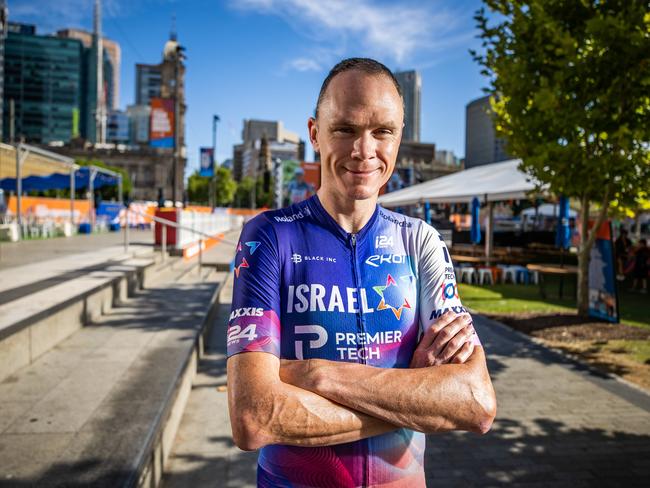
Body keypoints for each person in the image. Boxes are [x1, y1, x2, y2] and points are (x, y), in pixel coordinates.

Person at [227, 58, 496, 487]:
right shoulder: (269, 238)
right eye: (345, 129)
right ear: (315, 133)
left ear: (399, 137)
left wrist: (317, 375)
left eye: (382, 131)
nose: (364, 150)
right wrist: (415, 393)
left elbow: (475, 401)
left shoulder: (420, 242)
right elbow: (254, 418)